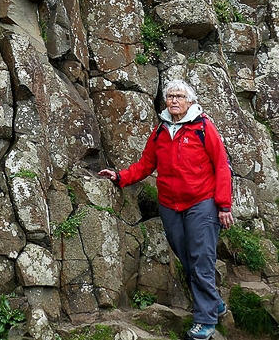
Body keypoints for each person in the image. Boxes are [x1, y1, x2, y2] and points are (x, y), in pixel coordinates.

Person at [99, 79, 233, 340]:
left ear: (190, 101)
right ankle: (214, 302)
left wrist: (224, 205)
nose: (173, 100)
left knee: (201, 261)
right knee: (187, 258)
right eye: (170, 96)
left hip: (202, 203)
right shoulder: (161, 130)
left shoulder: (204, 128)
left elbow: (221, 166)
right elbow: (146, 164)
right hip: (170, 206)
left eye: (179, 96)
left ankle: (205, 320)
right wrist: (120, 177)